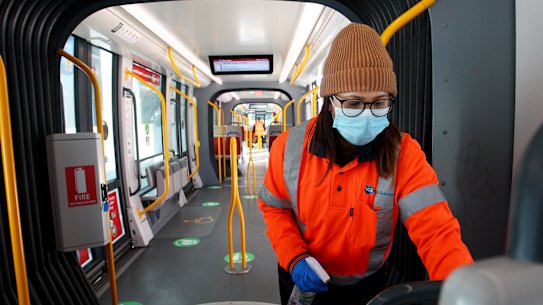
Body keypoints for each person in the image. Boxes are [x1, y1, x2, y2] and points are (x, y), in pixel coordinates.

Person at [258, 23, 473, 305]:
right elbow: (275, 209)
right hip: (301, 277)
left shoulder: (404, 154)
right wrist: (294, 256)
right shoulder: (288, 147)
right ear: (329, 101)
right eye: (353, 103)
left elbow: (437, 232)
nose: (367, 114)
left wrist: (464, 292)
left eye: (379, 103)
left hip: (367, 288)